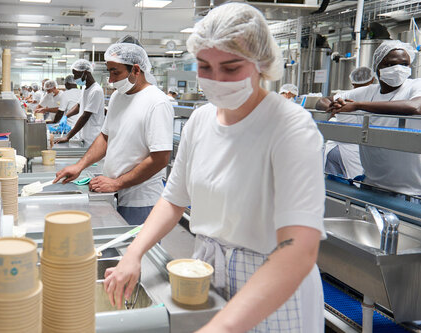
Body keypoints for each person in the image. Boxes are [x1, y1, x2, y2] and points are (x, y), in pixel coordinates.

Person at [103, 4, 325, 332]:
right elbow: (173, 199)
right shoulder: (201, 120)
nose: (217, 79)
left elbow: (299, 250)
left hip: (273, 286)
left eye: (231, 67)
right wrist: (134, 253)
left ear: (262, 65)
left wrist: (221, 327)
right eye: (205, 66)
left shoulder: (290, 127)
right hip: (206, 273)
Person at [54, 36, 174, 225]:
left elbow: (160, 158)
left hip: (141, 201)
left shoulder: (157, 102)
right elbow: (105, 136)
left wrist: (117, 183)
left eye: (115, 72)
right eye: (109, 72)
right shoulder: (119, 96)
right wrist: (80, 165)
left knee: (135, 252)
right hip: (114, 192)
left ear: (136, 69)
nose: (110, 80)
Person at [322, 40, 421, 201]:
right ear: (377, 67)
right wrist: (333, 104)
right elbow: (323, 101)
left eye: (405, 64)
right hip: (372, 186)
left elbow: (415, 107)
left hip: (411, 191)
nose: (398, 69)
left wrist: (358, 106)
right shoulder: (369, 91)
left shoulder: (415, 86)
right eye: (390, 64)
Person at [318, 66, 376, 179]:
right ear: (373, 80)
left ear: (352, 81)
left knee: (333, 187)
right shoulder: (374, 96)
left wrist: (331, 108)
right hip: (353, 152)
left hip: (332, 149)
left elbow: (321, 101)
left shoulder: (345, 95)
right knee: (355, 186)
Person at [54, 59, 105, 145]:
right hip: (84, 135)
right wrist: (65, 116)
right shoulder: (85, 88)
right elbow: (78, 106)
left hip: (92, 137)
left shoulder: (96, 91)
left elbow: (85, 116)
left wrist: (68, 136)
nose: (74, 78)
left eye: (76, 75)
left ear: (85, 73)